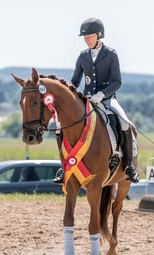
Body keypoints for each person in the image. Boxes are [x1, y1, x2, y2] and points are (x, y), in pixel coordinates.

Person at [54, 17, 140, 184]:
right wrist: (69, 92)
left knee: (124, 123)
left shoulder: (111, 54)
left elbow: (117, 81)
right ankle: (64, 166)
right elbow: (75, 80)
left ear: (99, 35)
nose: (87, 39)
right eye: (85, 37)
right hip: (87, 100)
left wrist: (102, 94)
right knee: (59, 127)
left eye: (90, 36)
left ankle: (129, 166)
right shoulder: (83, 56)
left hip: (107, 99)